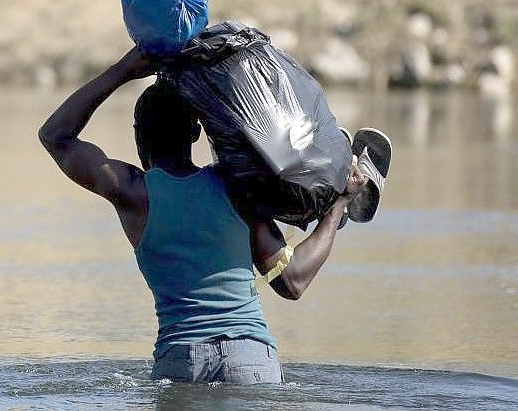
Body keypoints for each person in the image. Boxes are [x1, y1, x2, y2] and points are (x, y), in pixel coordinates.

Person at [38, 47, 368, 384]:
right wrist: (337, 206)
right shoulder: (236, 188)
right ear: (197, 133)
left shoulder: (135, 194)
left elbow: (55, 137)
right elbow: (292, 281)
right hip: (250, 358)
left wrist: (123, 69)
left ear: (138, 134)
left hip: (181, 359)